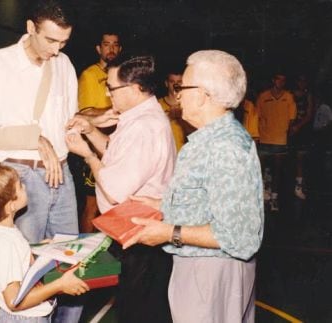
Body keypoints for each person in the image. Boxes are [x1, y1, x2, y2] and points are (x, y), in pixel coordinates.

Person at [0, 1, 82, 321]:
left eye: (64, 42)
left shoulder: (64, 64)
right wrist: (35, 138)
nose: (57, 50)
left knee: (71, 264)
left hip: (62, 173)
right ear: (30, 28)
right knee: (25, 278)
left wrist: (90, 123)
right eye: (51, 40)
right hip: (20, 177)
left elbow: (67, 122)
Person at [123, 50, 264, 323]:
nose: (177, 95)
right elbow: (209, 203)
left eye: (181, 88)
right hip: (205, 269)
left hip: (211, 274)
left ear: (202, 95)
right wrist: (160, 205)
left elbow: (238, 236)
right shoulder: (209, 140)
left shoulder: (224, 147)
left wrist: (168, 233)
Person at [66, 55, 175, 323]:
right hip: (135, 232)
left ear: (135, 88)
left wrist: (88, 156)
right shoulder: (137, 116)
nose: (106, 92)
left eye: (112, 88)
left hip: (141, 236)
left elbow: (115, 187)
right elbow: (115, 155)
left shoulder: (144, 127)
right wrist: (91, 131)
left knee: (138, 312)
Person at [0, 165, 89, 323]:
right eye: (19, 186)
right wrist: (59, 285)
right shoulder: (4, 242)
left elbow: (13, 258)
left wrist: (34, 249)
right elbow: (14, 302)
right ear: (10, 205)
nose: (25, 186)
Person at [76, 30, 122, 233]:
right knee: (92, 205)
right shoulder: (89, 75)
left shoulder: (122, 75)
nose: (111, 49)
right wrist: (116, 110)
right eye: (106, 44)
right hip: (94, 148)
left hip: (117, 146)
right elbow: (84, 112)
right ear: (98, 48)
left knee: (114, 204)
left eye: (115, 44)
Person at [256, 72, 297, 211]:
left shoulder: (288, 97)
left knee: (277, 171)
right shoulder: (263, 96)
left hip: (280, 140)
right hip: (264, 139)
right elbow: (258, 116)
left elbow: (292, 118)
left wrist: (289, 131)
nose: (281, 82)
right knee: (260, 170)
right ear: (273, 80)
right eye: (279, 79)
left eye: (284, 80)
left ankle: (274, 197)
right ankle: (262, 195)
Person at [290, 75, 315, 200]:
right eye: (300, 80)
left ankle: (298, 186)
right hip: (289, 130)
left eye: (304, 81)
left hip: (302, 130)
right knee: (286, 158)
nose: (302, 83)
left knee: (301, 158)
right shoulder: (290, 94)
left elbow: (309, 114)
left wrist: (298, 126)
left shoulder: (308, 95)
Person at [158, 68, 186, 151]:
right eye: (172, 81)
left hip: (185, 154)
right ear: (166, 83)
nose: (175, 85)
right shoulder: (157, 105)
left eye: (179, 82)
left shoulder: (188, 104)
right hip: (165, 153)